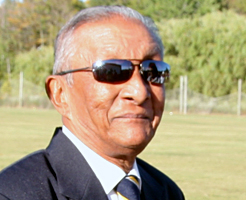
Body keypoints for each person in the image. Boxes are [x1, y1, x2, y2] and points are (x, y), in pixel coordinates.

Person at [0, 5, 184, 200]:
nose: (139, 92)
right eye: (112, 70)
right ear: (60, 93)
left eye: (153, 70)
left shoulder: (165, 192)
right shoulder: (13, 194)